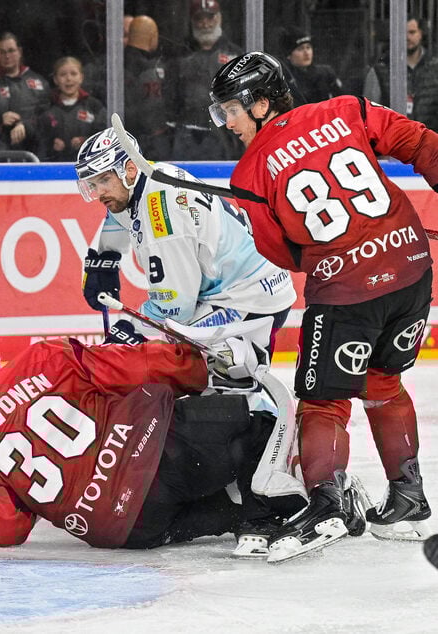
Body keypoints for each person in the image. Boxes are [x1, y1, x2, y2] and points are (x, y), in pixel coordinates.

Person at [208, 51, 435, 562]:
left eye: (231, 110)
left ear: (261, 104)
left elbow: (282, 252)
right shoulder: (345, 108)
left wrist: (333, 250)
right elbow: (418, 143)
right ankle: (408, 497)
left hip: (348, 289)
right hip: (412, 266)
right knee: (383, 382)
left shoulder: (249, 172)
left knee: (322, 401)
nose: (227, 123)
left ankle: (327, 503)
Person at [0, 328, 321, 551]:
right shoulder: (40, 358)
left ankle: (246, 519)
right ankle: (271, 511)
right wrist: (202, 368)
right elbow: (134, 365)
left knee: (215, 504)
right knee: (259, 425)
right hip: (160, 453)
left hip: (124, 530)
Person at [74, 126, 296, 355]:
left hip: (246, 301)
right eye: (92, 184)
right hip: (257, 286)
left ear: (129, 169)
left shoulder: (161, 219)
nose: (99, 192)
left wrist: (131, 328)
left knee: (173, 356)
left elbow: (176, 307)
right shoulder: (147, 175)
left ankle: (237, 382)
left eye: (104, 180)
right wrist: (104, 258)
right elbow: (119, 217)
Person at [166, 0, 242, 160]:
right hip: (186, 135)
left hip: (226, 135)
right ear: (192, 21)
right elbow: (170, 97)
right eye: (199, 19)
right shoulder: (179, 55)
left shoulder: (235, 54)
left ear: (219, 18)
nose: (205, 24)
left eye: (210, 17)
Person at [363, 16, 438, 132]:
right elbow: (369, 117)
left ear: (421, 34)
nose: (407, 37)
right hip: (394, 145)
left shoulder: (435, 68)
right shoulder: (380, 70)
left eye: (412, 32)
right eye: (402, 33)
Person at [37, 56, 105, 162]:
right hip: (54, 167)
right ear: (55, 79)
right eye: (63, 75)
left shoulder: (94, 106)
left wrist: (86, 141)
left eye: (73, 74)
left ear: (81, 77)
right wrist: (51, 144)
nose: (68, 79)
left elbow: (104, 135)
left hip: (88, 167)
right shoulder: (46, 106)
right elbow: (38, 137)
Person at [0, 32, 50, 154]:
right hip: (0, 151)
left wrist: (26, 125)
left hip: (34, 150)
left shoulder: (38, 82)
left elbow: (48, 116)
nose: (7, 56)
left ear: (20, 52)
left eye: (11, 51)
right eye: (2, 52)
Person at [123, 15, 172, 160]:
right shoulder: (152, 68)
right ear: (153, 36)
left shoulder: (115, 64)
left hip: (125, 140)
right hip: (150, 142)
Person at [277, 26, 342, 107]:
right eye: (300, 49)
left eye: (308, 47)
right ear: (289, 55)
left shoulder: (326, 74)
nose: (306, 53)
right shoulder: (285, 80)